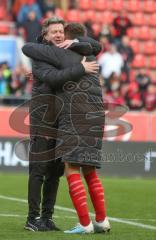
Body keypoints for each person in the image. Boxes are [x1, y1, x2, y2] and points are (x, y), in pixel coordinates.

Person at [23, 22, 111, 234]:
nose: (59, 34)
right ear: (45, 35)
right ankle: (33, 218)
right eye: (54, 31)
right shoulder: (42, 56)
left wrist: (78, 41)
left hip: (63, 119)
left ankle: (47, 217)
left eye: (62, 31)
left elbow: (95, 45)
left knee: (55, 172)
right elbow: (52, 77)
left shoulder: (68, 50)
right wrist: (80, 67)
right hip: (44, 118)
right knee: (39, 169)